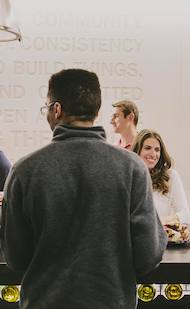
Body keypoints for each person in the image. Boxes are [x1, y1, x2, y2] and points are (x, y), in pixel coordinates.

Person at [0, 69, 167, 309]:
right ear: (97, 112)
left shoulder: (25, 170)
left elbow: (15, 258)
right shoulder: (132, 168)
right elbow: (147, 256)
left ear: (56, 110)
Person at [132, 129, 190, 224]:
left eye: (157, 150)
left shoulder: (170, 177)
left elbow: (185, 214)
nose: (153, 154)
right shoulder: (128, 177)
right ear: (137, 150)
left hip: (159, 237)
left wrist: (160, 223)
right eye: (147, 148)